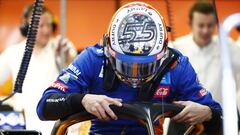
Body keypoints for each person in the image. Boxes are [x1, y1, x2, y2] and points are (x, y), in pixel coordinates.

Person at [37, 2, 222, 135]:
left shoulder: (176, 66)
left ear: (162, 54)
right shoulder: (94, 58)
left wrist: (207, 113)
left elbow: (222, 119)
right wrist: (82, 100)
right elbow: (45, 106)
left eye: (143, 67)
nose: (135, 75)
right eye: (127, 65)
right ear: (109, 49)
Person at [0, 4, 77, 135]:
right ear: (26, 27)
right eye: (41, 26)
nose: (46, 30)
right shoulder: (13, 53)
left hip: (57, 127)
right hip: (23, 128)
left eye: (49, 24)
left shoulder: (60, 47)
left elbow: (75, 69)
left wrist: (68, 57)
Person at [173, 1, 240, 104]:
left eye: (210, 25)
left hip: (220, 115)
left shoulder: (227, 46)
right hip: (185, 116)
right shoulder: (176, 48)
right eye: (201, 25)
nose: (205, 31)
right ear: (190, 24)